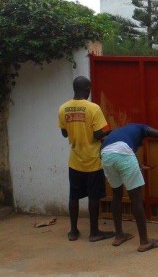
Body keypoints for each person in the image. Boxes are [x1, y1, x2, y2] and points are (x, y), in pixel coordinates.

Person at [100, 123, 158, 252]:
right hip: (122, 154)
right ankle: (144, 241)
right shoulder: (142, 128)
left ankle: (119, 236)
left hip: (105, 155)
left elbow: (122, 152)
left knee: (116, 195)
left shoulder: (121, 133)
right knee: (136, 198)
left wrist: (139, 165)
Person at [58, 76, 114, 242]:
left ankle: (73, 231)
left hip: (75, 161)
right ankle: (94, 232)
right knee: (94, 197)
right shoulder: (93, 108)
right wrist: (108, 132)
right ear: (88, 89)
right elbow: (98, 133)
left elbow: (64, 133)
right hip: (92, 160)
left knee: (73, 197)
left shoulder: (63, 108)